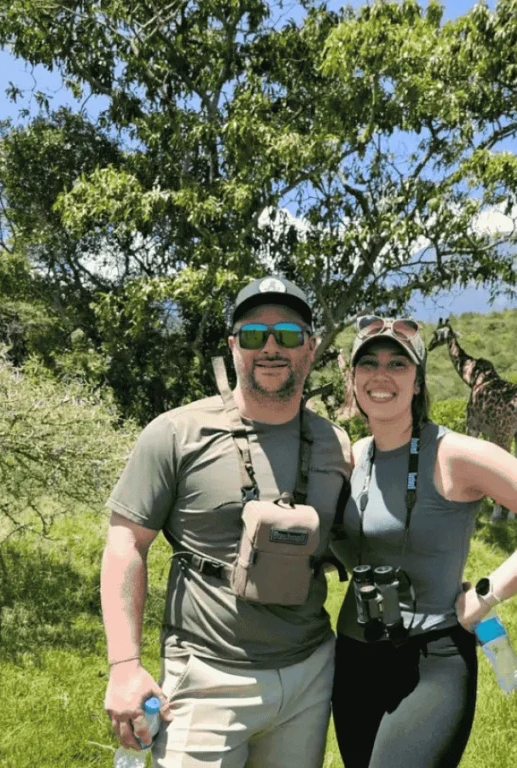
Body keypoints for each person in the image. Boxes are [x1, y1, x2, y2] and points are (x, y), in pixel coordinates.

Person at [100, 276, 352, 768]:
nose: (272, 347)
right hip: (204, 678)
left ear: (311, 346)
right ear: (234, 344)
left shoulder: (335, 443)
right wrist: (124, 665)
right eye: (255, 334)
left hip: (309, 673)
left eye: (289, 334)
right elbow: (125, 542)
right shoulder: (176, 433)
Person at [329, 316, 517, 768]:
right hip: (354, 657)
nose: (381, 375)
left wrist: (486, 595)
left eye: (398, 364)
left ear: (417, 382)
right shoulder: (354, 456)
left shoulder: (454, 453)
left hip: (432, 659)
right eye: (368, 363)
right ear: (353, 379)